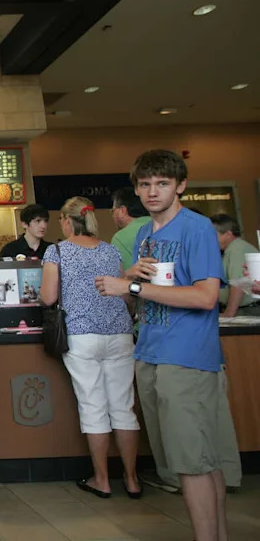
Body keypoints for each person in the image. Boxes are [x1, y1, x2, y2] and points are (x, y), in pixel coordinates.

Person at [96, 149, 228, 541]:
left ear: (180, 186)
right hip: (150, 352)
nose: (153, 192)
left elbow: (206, 297)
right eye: (145, 184)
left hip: (186, 357)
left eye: (163, 183)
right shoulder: (142, 233)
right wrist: (128, 283)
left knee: (193, 463)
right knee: (195, 460)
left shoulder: (197, 227)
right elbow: (143, 297)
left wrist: (132, 285)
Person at [39, 197, 141, 499]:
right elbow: (126, 296)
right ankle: (133, 480)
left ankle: (102, 479)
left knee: (93, 407)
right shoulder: (110, 250)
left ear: (67, 221)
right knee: (124, 407)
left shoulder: (56, 250)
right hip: (120, 333)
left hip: (82, 336)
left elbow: (47, 297)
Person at [212, 214, 259, 317]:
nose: (210, 239)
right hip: (244, 310)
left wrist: (229, 313)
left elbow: (239, 283)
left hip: (248, 311)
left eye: (214, 234)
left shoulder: (237, 249)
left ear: (229, 234)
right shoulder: (231, 250)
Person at [110, 187, 151, 269]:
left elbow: (122, 276)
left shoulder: (120, 238)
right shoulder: (162, 225)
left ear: (122, 210)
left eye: (113, 210)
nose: (112, 215)